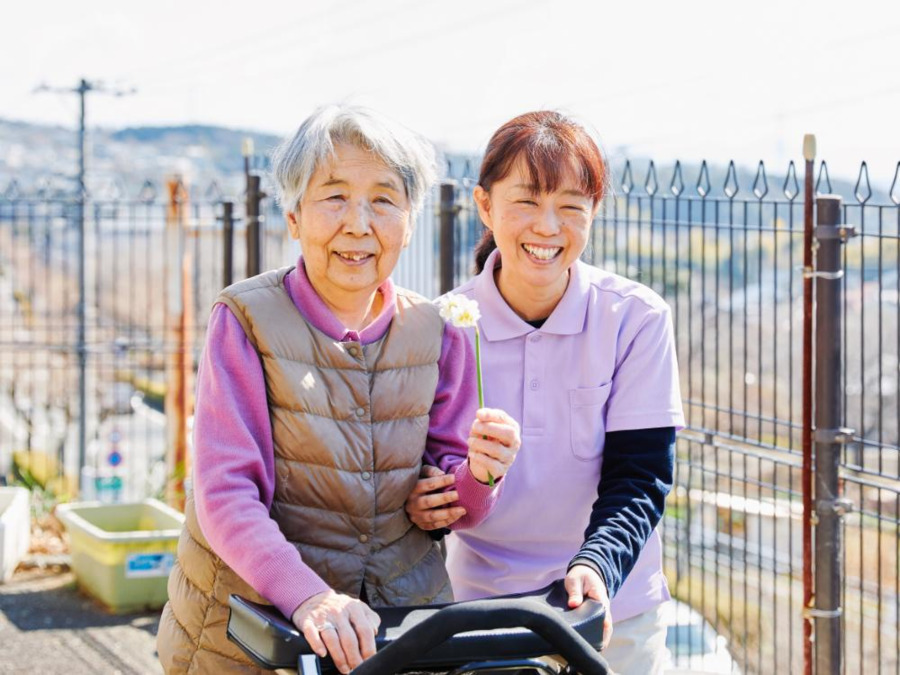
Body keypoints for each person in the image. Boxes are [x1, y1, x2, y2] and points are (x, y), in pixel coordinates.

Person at [156, 105, 521, 675]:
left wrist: (480, 476)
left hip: (393, 631)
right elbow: (225, 492)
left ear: (409, 219)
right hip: (251, 636)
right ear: (294, 216)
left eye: (383, 199)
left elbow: (456, 503)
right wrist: (308, 596)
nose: (359, 223)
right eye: (334, 196)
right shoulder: (246, 318)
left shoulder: (437, 331)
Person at [406, 111, 684, 675]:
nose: (548, 227)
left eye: (571, 207)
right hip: (480, 613)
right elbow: (424, 478)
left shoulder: (635, 319)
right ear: (485, 206)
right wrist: (424, 505)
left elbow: (641, 477)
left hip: (610, 608)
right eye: (526, 201)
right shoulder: (441, 326)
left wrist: (598, 567)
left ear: (593, 214)